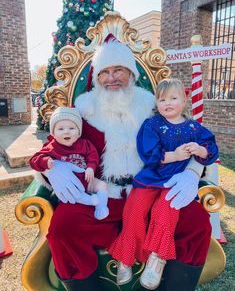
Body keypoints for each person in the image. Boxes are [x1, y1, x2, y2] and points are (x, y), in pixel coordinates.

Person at [42, 34, 212, 291]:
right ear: (97, 78)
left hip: (150, 191)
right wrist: (53, 169)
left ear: (131, 74)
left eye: (119, 70)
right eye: (105, 72)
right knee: (64, 227)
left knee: (196, 221)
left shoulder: (153, 108)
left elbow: (189, 139)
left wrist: (193, 171)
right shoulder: (82, 111)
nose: (112, 78)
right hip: (101, 195)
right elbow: (54, 144)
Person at [108, 78, 219, 289]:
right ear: (156, 103)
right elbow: (148, 154)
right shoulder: (152, 124)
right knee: (134, 208)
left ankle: (156, 259)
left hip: (175, 181)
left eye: (173, 98)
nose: (167, 103)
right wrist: (175, 155)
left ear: (184, 101)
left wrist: (200, 150)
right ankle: (126, 256)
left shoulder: (194, 128)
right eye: (162, 99)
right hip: (152, 177)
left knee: (165, 210)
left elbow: (211, 149)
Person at [29, 107, 109, 220]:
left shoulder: (84, 144)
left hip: (87, 180)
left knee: (102, 185)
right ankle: (91, 200)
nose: (66, 131)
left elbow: (93, 155)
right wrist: (46, 162)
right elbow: (34, 160)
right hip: (68, 184)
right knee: (73, 196)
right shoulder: (52, 147)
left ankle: (101, 206)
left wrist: (91, 168)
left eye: (71, 128)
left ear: (78, 132)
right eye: (60, 129)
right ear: (53, 133)